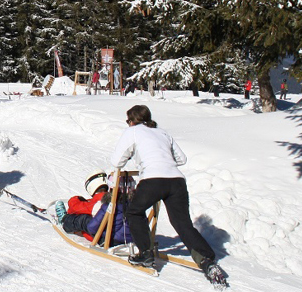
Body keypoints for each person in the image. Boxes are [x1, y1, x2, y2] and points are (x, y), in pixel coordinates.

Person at [111, 104, 222, 281]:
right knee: (182, 224)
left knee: (134, 212)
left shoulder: (132, 131)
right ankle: (206, 259)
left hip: (153, 180)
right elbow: (181, 158)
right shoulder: (162, 133)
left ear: (132, 120)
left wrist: (141, 159)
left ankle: (145, 253)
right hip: (176, 181)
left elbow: (117, 161)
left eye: (128, 121)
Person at [52, 173, 132, 245]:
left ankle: (64, 220)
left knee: (84, 219)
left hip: (108, 239)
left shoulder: (105, 202)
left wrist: (75, 200)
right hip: (130, 237)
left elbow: (79, 208)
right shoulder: (132, 203)